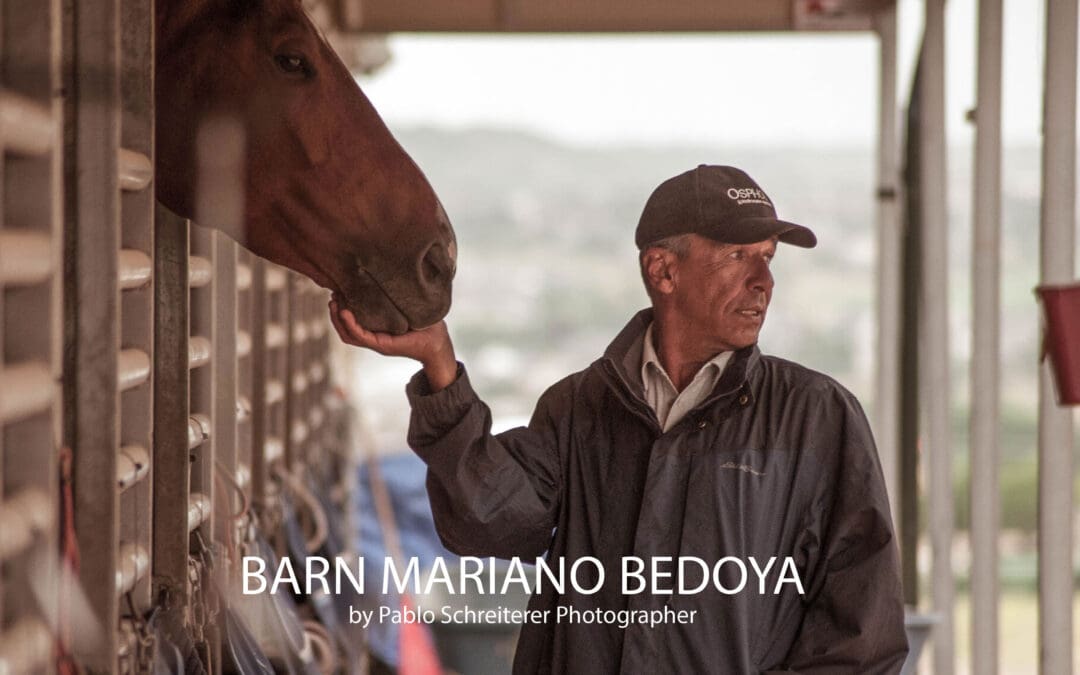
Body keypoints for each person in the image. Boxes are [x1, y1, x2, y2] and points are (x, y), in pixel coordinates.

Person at [329, 165, 909, 674]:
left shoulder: (816, 418)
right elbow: (487, 521)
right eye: (737, 257)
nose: (764, 281)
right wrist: (439, 366)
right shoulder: (578, 409)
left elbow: (863, 635)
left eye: (767, 258)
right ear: (663, 271)